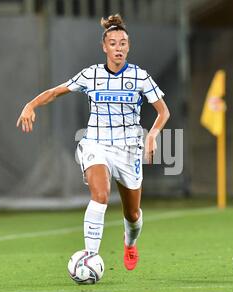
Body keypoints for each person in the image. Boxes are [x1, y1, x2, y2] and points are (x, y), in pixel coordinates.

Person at [16, 14, 170, 271]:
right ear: (104, 47)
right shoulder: (91, 75)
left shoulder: (140, 77)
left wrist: (152, 135)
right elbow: (56, 92)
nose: (118, 48)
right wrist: (30, 105)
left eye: (123, 43)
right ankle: (89, 256)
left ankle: (129, 243)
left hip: (129, 150)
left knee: (132, 215)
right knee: (100, 196)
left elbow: (163, 111)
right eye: (113, 43)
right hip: (96, 144)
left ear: (128, 46)